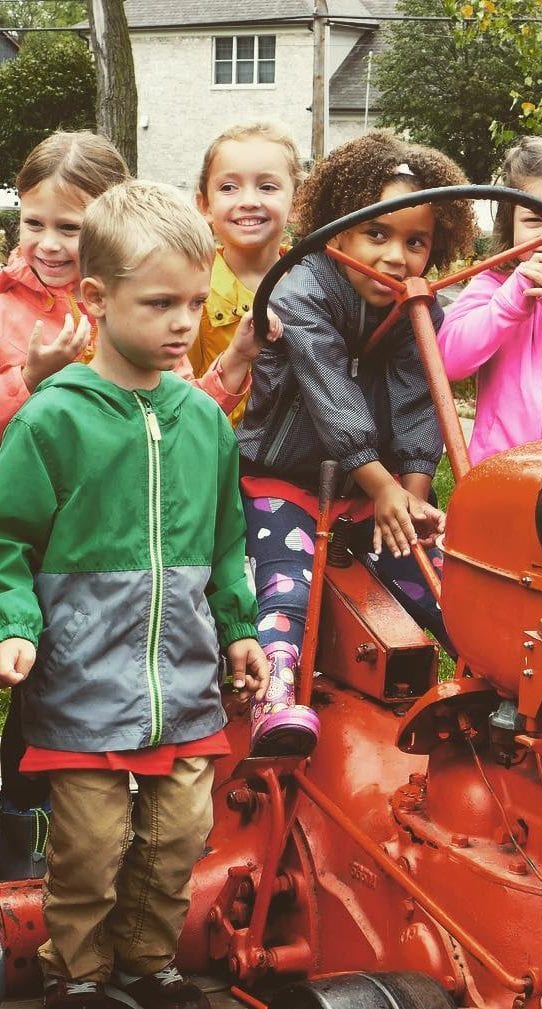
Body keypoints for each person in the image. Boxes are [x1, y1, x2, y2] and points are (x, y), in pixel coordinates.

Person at [0, 179, 270, 1009]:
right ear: (96, 297)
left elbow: (227, 541)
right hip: (82, 681)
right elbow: (8, 540)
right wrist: (15, 622)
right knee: (88, 846)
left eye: (193, 302)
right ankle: (77, 972)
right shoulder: (52, 420)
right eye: (159, 303)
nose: (183, 323)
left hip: (182, 682)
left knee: (179, 834)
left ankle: (149, 962)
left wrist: (239, 626)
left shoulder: (206, 422)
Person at [237, 130, 476, 757]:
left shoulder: (418, 308)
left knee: (439, 579)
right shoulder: (301, 293)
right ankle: (274, 695)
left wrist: (412, 496)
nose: (396, 257)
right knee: (287, 586)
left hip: (370, 491)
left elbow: (419, 402)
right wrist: (383, 484)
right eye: (377, 234)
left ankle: (495, 680)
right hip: (282, 482)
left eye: (415, 242)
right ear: (337, 232)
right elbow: (330, 396)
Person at [0, 129, 267, 440]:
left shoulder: (144, 302)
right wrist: (30, 378)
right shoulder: (6, 308)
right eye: (34, 223)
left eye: (69, 228)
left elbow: (180, 416)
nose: (48, 244)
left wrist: (236, 358)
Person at [438, 135, 542, 464]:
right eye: (533, 220)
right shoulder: (493, 285)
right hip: (502, 468)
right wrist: (508, 303)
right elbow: (448, 360)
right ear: (508, 224)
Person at [190, 122, 303, 425]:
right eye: (228, 188)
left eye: (267, 187)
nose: (249, 201)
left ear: (297, 203)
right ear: (204, 204)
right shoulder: (191, 287)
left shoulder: (314, 281)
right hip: (216, 440)